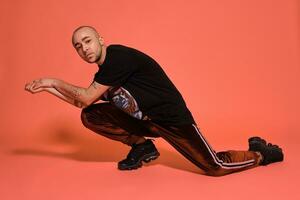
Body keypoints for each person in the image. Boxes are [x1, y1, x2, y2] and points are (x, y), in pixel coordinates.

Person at [24, 25, 284, 176]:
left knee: (214, 166)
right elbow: (83, 104)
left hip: (170, 119)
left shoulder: (117, 58)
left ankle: (261, 152)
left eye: (88, 41)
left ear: (100, 40)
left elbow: (85, 96)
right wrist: (48, 88)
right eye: (78, 47)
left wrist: (54, 81)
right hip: (144, 123)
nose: (85, 49)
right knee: (91, 115)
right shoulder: (105, 74)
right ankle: (143, 147)